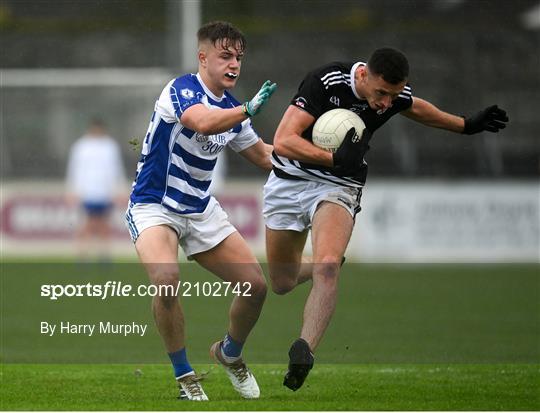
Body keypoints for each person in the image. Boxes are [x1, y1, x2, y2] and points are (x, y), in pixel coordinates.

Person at [263, 47, 509, 391]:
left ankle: (305, 350)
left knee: (328, 265)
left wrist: (466, 126)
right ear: (363, 76)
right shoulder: (325, 81)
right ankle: (321, 265)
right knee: (282, 282)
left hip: (340, 183)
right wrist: (332, 157)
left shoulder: (392, 95)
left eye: (393, 95)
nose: (385, 103)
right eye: (381, 93)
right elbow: (282, 140)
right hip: (289, 181)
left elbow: (417, 108)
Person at [125, 21, 276, 401]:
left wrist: (319, 163)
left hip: (199, 209)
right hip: (154, 205)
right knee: (166, 279)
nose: (234, 65)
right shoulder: (181, 90)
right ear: (203, 57)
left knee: (256, 287)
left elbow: (263, 156)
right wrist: (246, 109)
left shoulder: (232, 109)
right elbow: (200, 120)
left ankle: (229, 354)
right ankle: (184, 376)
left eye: (239, 58)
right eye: (226, 56)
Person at [66, 118, 126, 260]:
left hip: (105, 192)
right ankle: (82, 255)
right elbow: (74, 169)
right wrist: (72, 190)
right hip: (87, 192)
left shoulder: (110, 146)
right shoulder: (81, 146)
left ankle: (104, 256)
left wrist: (120, 189)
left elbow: (116, 168)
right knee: (87, 224)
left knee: (104, 225)